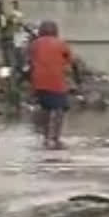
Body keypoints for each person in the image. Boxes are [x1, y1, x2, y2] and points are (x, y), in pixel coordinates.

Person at [29, 20, 80, 149]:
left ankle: (46, 138)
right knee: (59, 110)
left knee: (45, 109)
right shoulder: (61, 44)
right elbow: (73, 62)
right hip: (56, 82)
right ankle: (56, 138)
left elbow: (29, 62)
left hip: (39, 82)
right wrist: (78, 80)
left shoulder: (34, 44)